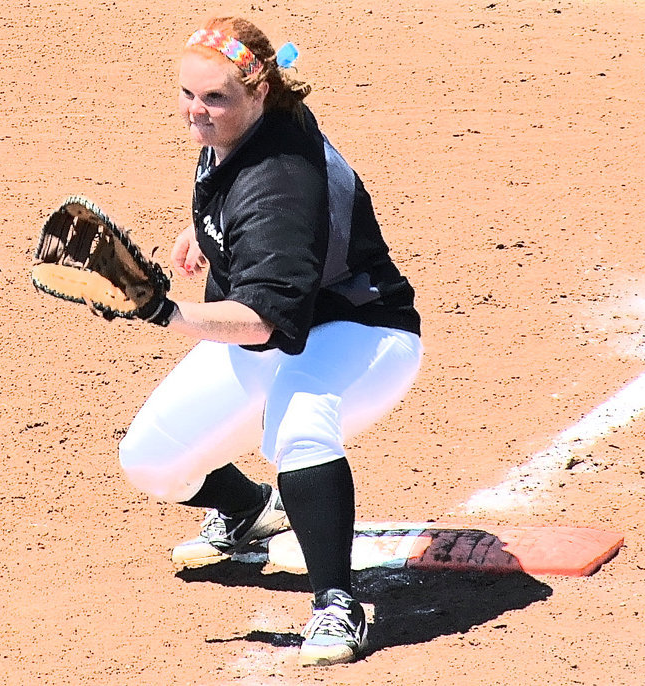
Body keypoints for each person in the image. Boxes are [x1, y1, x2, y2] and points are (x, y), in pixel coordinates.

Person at [110, 16, 423, 667]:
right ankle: (250, 510)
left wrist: (164, 310)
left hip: (363, 331)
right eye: (187, 93)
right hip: (285, 328)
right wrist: (206, 229)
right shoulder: (248, 124)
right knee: (151, 460)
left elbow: (261, 322)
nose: (196, 111)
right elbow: (239, 197)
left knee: (297, 423)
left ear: (257, 93)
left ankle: (337, 603)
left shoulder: (278, 181)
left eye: (214, 98)